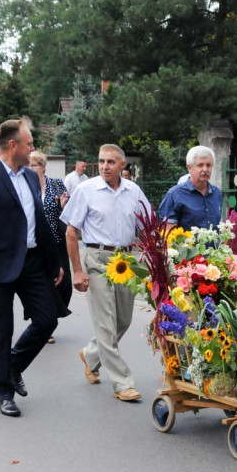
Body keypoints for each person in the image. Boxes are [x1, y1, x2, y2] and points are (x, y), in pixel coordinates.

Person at [0, 118, 68, 417]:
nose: (33, 147)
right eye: (29, 143)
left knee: (47, 319)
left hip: (33, 261)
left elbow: (40, 223)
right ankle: (4, 393)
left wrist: (54, 262)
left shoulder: (30, 177)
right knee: (2, 329)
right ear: (13, 145)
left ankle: (12, 366)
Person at [61, 144, 150, 403]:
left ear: (123, 165)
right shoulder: (86, 190)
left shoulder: (133, 192)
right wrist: (77, 270)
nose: (104, 166)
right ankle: (122, 383)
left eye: (111, 162)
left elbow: (147, 226)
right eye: (101, 161)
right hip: (96, 258)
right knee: (105, 324)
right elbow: (70, 232)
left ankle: (90, 355)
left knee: (123, 320)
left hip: (125, 260)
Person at [28, 150, 72, 343]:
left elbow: (69, 212)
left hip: (57, 241)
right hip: (35, 245)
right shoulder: (25, 187)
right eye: (27, 165)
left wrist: (63, 205)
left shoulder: (56, 184)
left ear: (43, 166)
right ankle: (45, 323)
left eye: (34, 165)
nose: (30, 169)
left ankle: (48, 319)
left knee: (65, 285)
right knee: (43, 284)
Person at [158, 145, 223, 231]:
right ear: (189, 167)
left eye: (208, 165)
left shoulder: (216, 193)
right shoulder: (175, 195)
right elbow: (168, 234)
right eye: (200, 165)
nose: (205, 169)